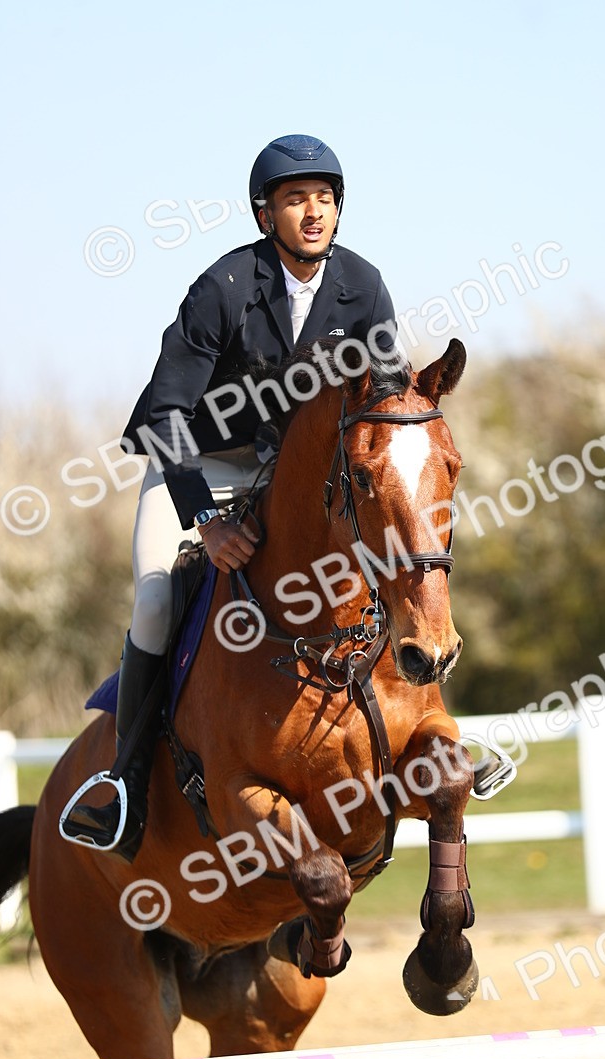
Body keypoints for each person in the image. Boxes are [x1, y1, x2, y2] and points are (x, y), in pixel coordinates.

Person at [64, 134, 397, 858]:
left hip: (294, 478)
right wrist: (208, 524)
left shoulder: (363, 286)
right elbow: (164, 410)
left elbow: (387, 392)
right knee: (156, 597)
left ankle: (414, 732)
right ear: (264, 214)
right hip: (201, 465)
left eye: (325, 199)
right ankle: (123, 785)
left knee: (384, 567)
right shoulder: (223, 286)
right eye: (295, 200)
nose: (314, 212)